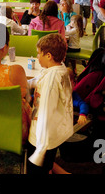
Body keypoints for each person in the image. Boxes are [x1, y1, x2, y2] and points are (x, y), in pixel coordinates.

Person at [26, 33, 73, 174]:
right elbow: (36, 80)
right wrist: (24, 83)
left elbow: (46, 113)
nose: (37, 57)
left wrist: (40, 149)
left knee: (36, 171)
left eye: (39, 54)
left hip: (41, 139)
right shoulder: (58, 69)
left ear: (48, 56)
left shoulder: (51, 80)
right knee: (46, 167)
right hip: (52, 135)